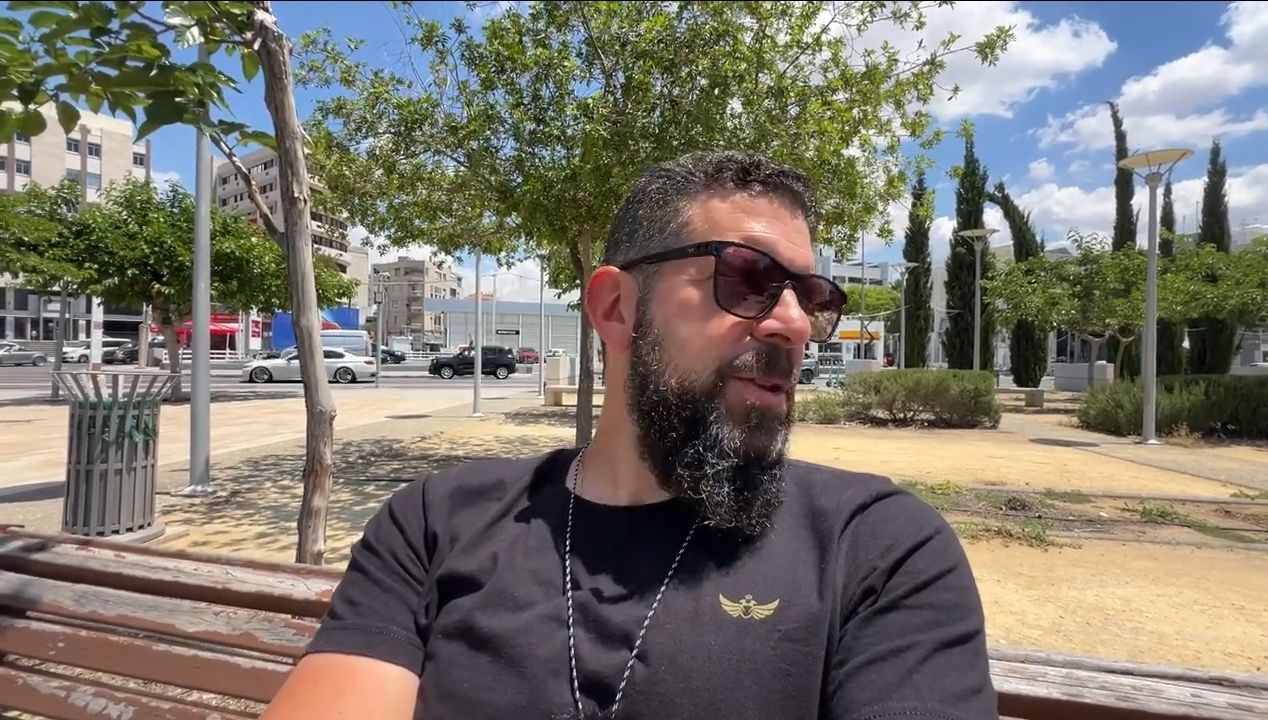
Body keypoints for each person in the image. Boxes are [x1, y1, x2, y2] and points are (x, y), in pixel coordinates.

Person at [262, 151, 997, 720]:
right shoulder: (435, 524)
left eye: (812, 298)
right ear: (616, 308)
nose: (795, 325)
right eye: (748, 279)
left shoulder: (876, 549)